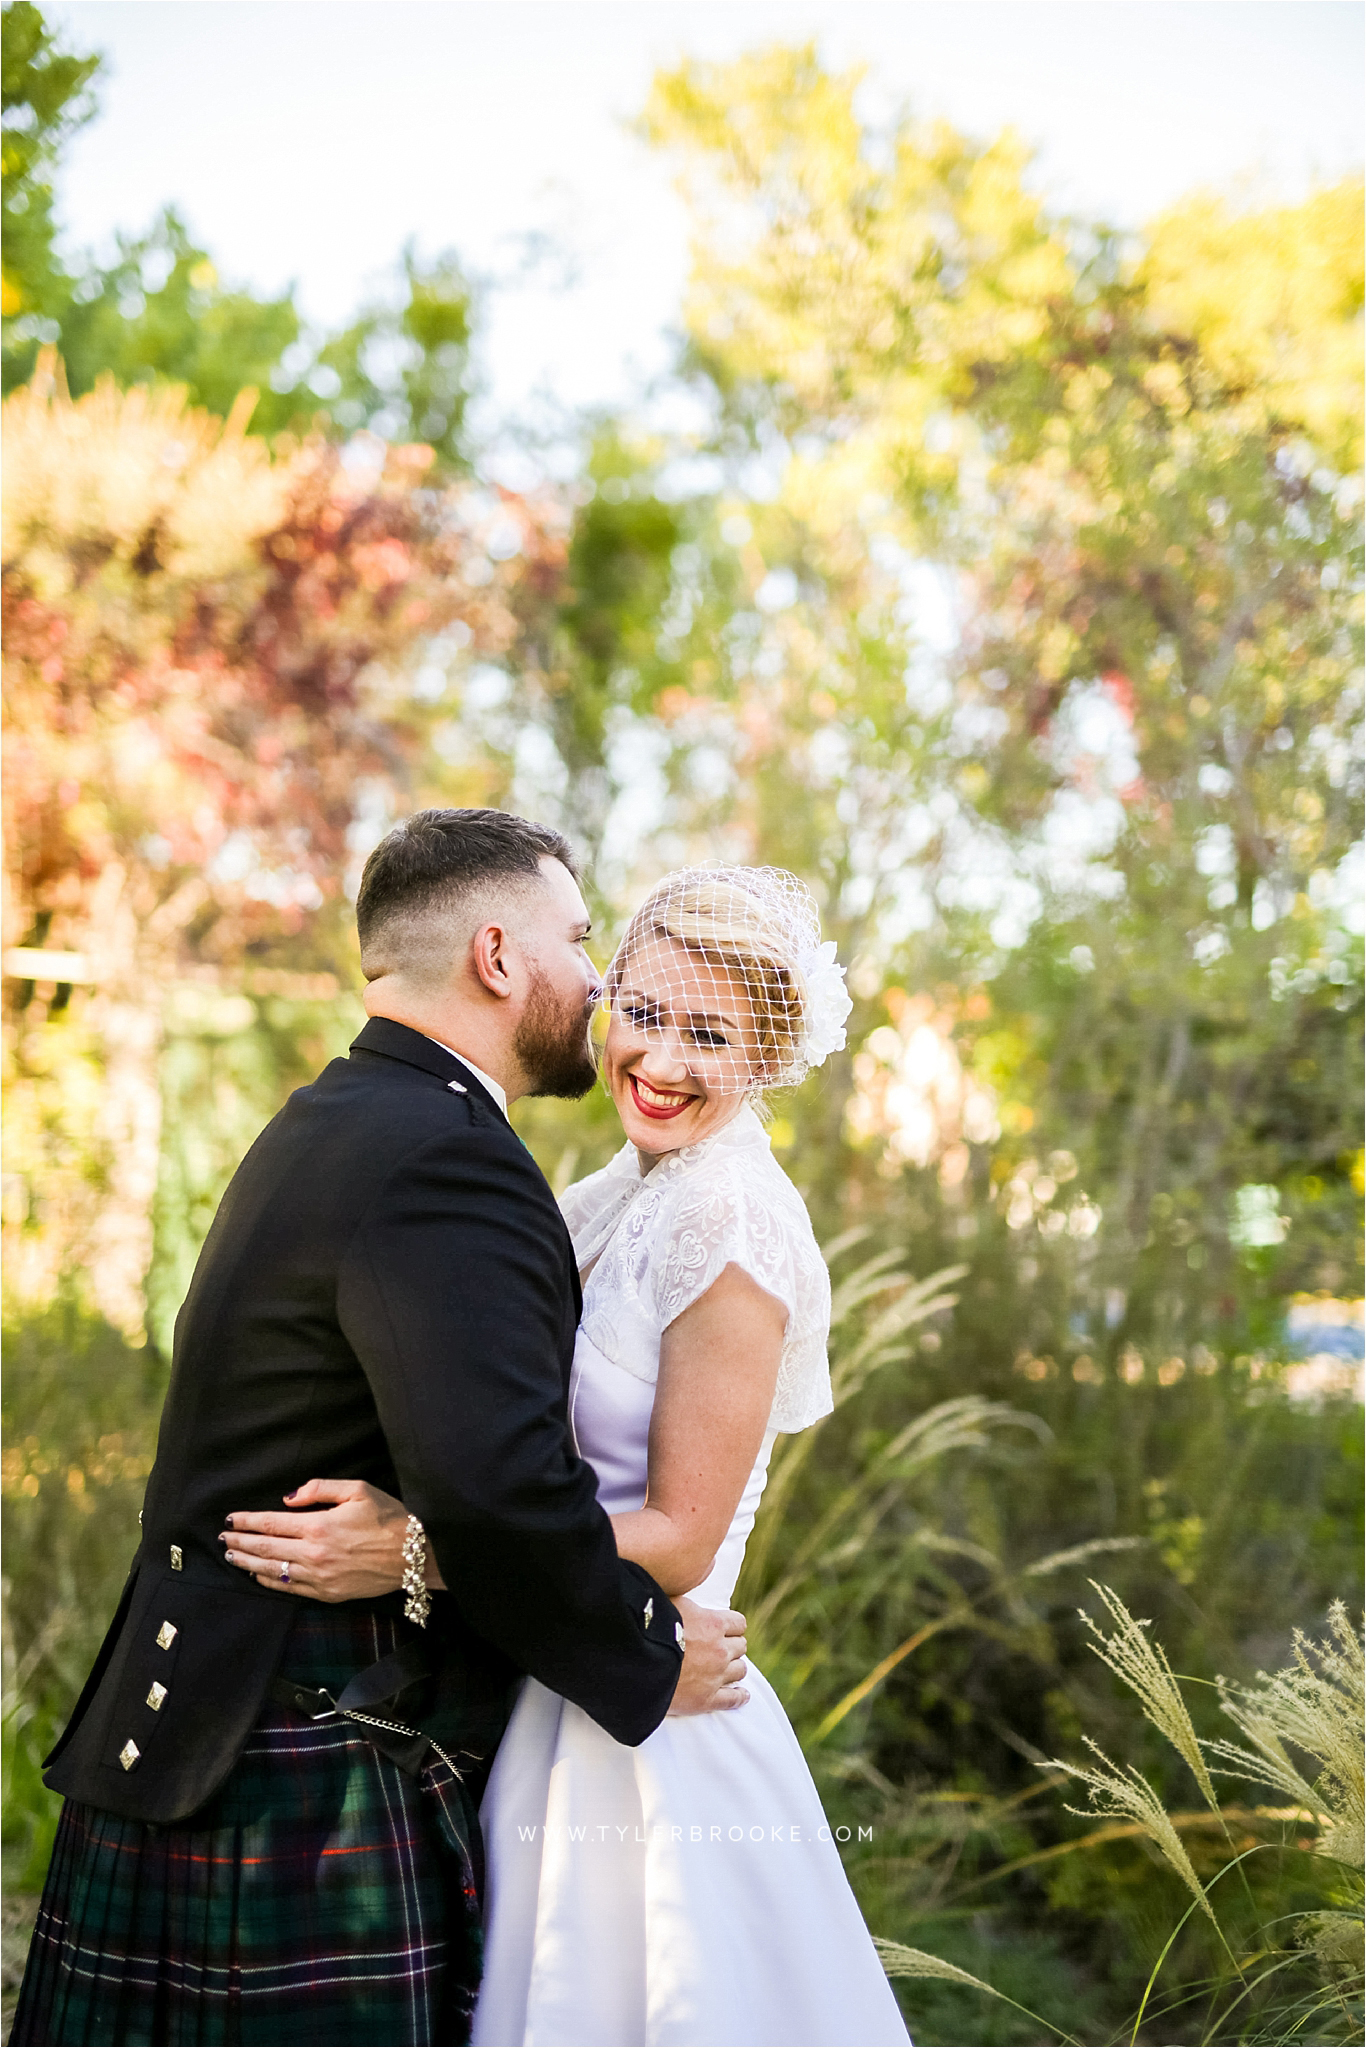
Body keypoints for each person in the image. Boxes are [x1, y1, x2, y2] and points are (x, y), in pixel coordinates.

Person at [13, 811, 746, 2048]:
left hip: (224, 1710)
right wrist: (647, 1654)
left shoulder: (334, 1116)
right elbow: (499, 1488)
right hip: (293, 1736)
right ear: (499, 956)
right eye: (578, 939)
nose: (599, 980)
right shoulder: (447, 1159)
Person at [223, 864, 912, 2047]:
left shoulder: (731, 1217)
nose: (661, 1059)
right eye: (642, 1012)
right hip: (559, 1671)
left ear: (767, 1057)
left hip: (653, 1707)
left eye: (711, 1034)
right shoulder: (611, 1192)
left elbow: (686, 1531)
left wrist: (413, 1551)